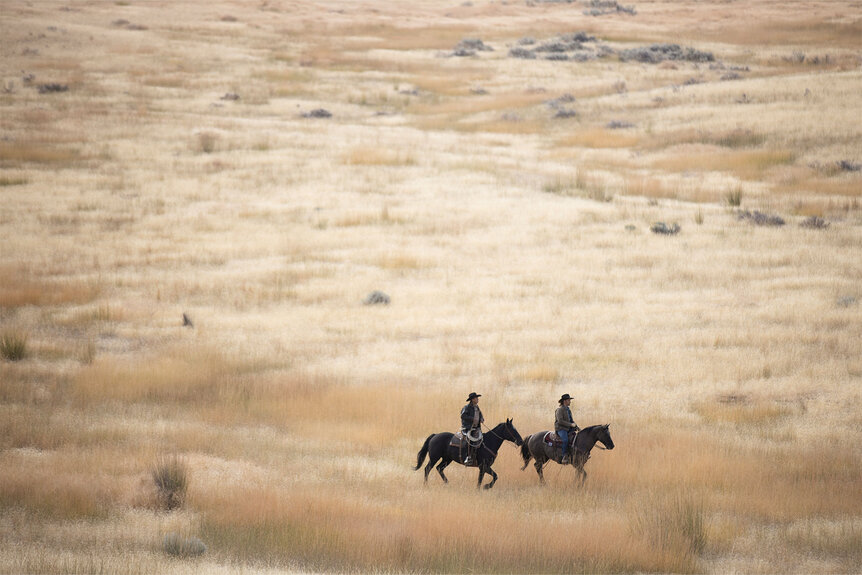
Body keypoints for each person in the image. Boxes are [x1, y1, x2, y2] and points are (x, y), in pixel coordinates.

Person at [555, 393, 579, 464]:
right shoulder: (559, 410)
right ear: (564, 401)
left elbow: (571, 420)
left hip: (568, 428)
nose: (570, 402)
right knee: (565, 440)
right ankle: (564, 455)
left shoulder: (568, 410)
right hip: (561, 429)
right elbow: (560, 421)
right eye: (569, 400)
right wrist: (570, 424)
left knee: (576, 438)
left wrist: (576, 426)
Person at [461, 392, 484, 465]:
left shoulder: (477, 407)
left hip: (476, 428)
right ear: (472, 399)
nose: (478, 399)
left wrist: (481, 419)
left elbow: (480, 415)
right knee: (470, 440)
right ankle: (468, 457)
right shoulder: (467, 407)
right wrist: (472, 419)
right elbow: (463, 416)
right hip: (468, 428)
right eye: (476, 398)